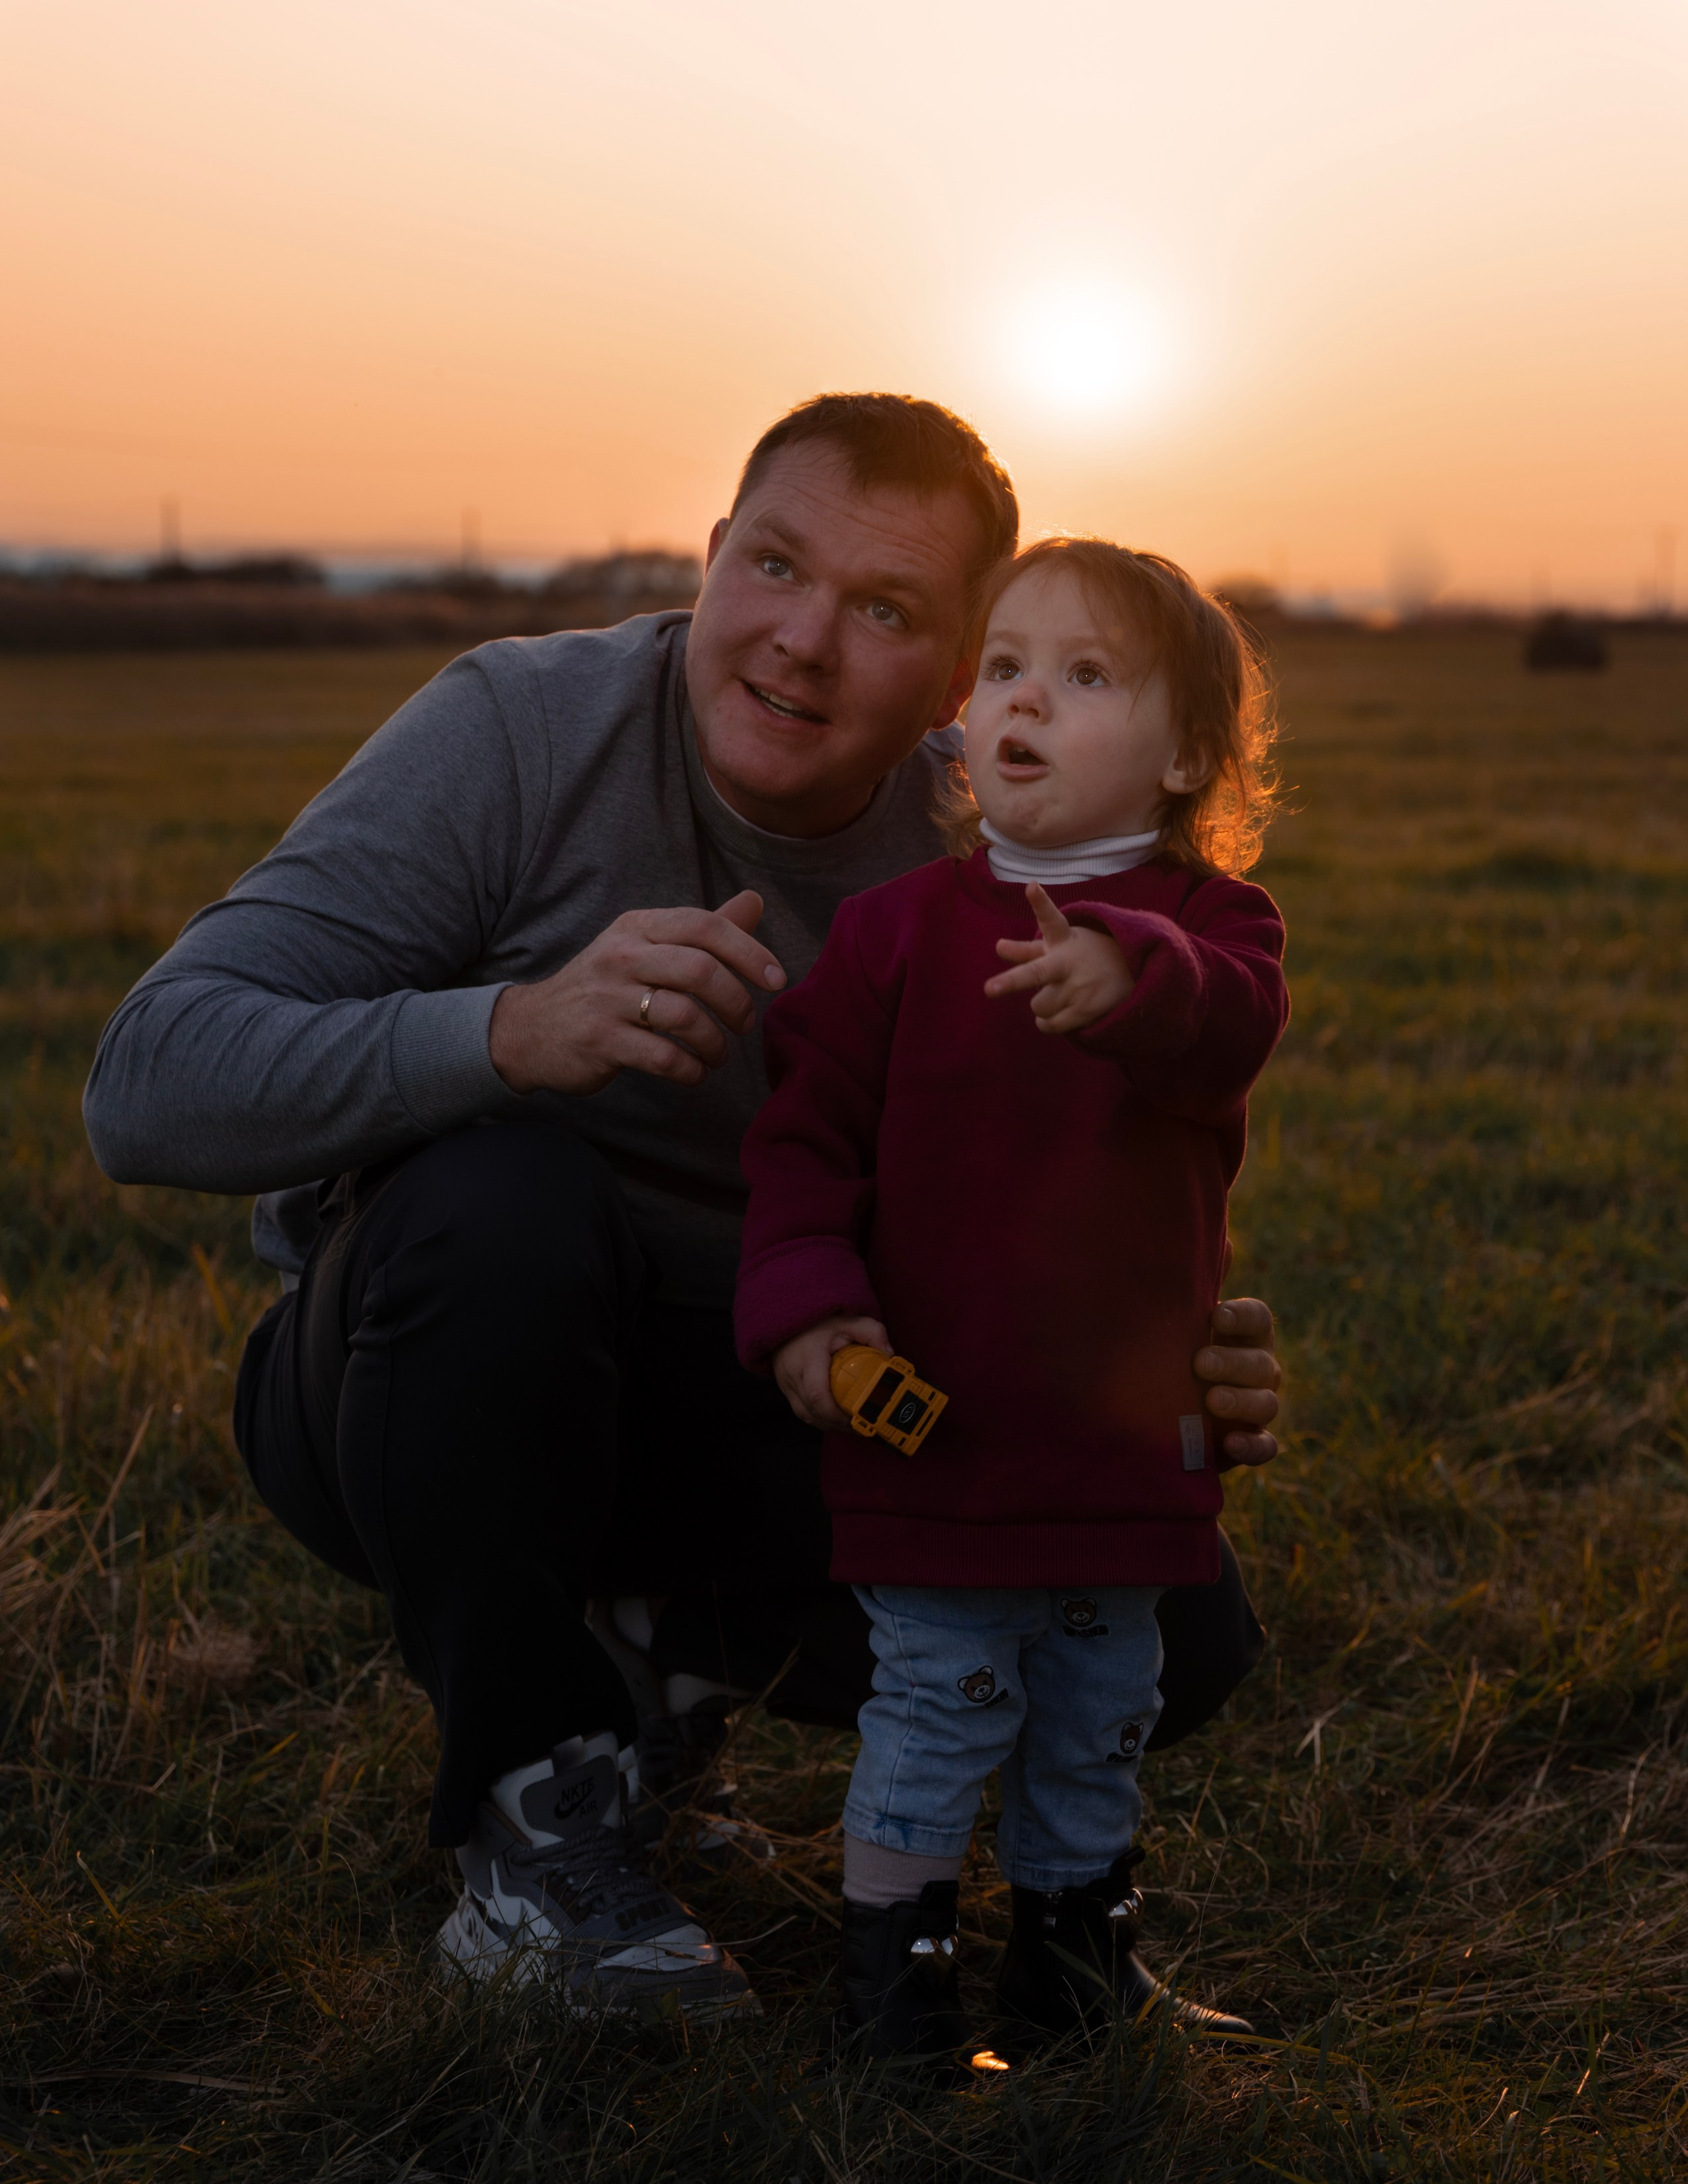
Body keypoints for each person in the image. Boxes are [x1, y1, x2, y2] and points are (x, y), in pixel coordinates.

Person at [82, 395, 1283, 2025]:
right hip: (413, 1374)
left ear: (950, 675)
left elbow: (1098, 1159)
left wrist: (1156, 1344)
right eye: (775, 567)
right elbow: (144, 1079)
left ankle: (663, 1668)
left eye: (885, 612)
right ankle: (528, 1835)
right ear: (710, 559)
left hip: (779, 1388)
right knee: (499, 1192)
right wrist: (512, 1032)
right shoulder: (520, 724)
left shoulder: (996, 840)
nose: (800, 643)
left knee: (1183, 1629)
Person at [736, 535, 1286, 2062]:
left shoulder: (1218, 932)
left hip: (1121, 1446)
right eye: (1007, 668)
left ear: (1184, 753)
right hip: (938, 1437)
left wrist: (1129, 974)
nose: (1026, 699)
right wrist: (810, 1316)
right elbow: (801, 1152)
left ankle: (1072, 1964)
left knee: (1099, 1720)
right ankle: (895, 1994)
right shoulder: (893, 935)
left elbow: (1224, 1023)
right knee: (934, 1711)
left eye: (1088, 675)